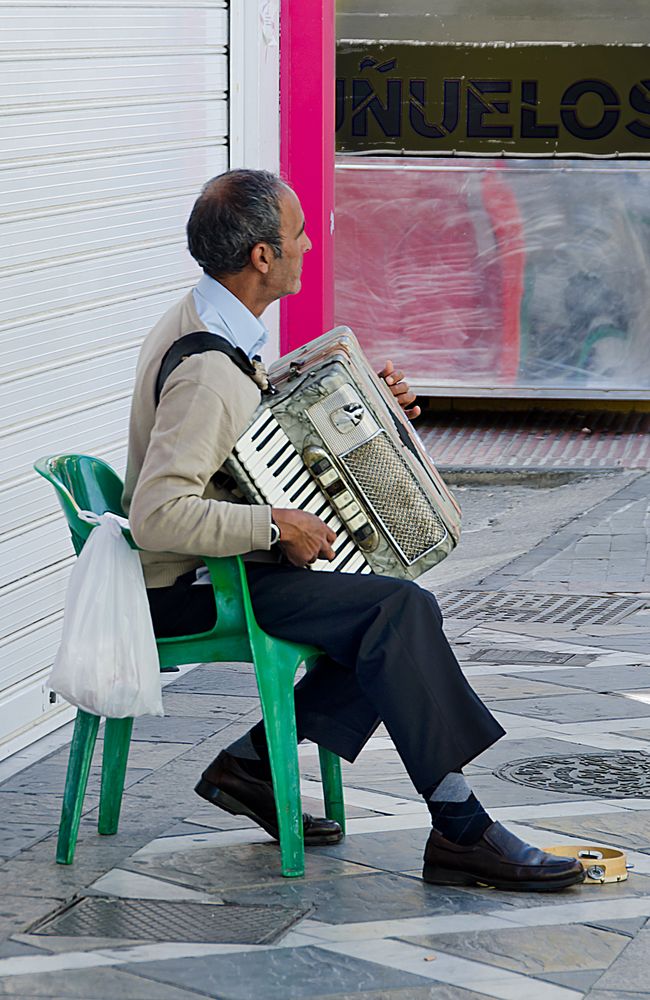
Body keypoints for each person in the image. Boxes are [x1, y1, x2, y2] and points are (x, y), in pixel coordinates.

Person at [122, 169, 584, 892]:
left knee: (381, 613)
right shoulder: (207, 368)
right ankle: (460, 827)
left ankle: (252, 767)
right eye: (297, 232)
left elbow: (251, 433)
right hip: (191, 588)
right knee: (399, 612)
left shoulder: (212, 325)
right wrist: (274, 527)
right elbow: (156, 516)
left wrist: (376, 411)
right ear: (263, 258)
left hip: (223, 571)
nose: (310, 243)